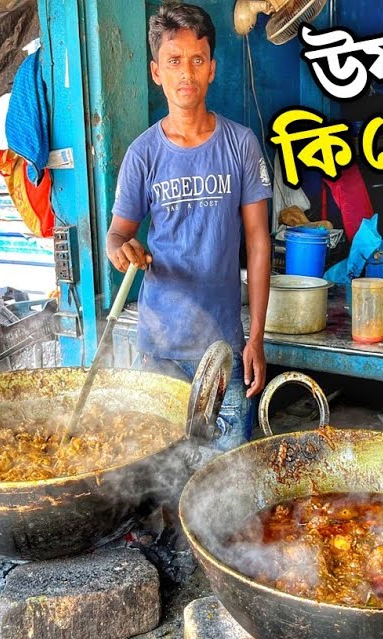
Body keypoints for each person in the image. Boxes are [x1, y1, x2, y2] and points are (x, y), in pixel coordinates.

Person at [106, 2, 272, 449]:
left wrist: (255, 338)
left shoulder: (241, 144)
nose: (186, 73)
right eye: (174, 61)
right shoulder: (143, 154)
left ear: (212, 69)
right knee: (161, 477)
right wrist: (122, 249)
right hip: (159, 347)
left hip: (223, 349)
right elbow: (117, 234)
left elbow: (259, 243)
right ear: (157, 72)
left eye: (197, 61)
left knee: (228, 476)